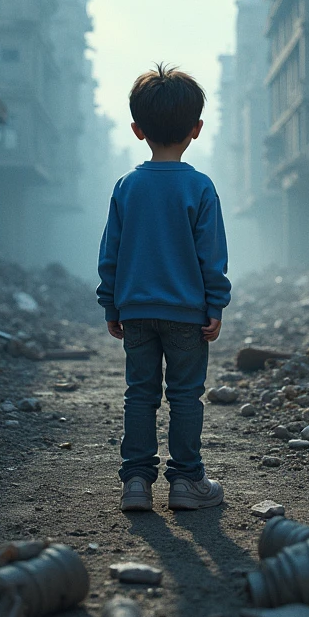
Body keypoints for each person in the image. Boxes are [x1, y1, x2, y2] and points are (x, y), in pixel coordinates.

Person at [97, 64, 231, 512]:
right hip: (187, 314)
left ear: (137, 130)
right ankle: (185, 482)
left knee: (140, 394)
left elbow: (111, 251)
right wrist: (216, 303)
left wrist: (110, 302)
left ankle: (135, 482)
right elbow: (211, 255)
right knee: (185, 396)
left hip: (135, 310)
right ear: (196, 129)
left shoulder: (127, 186)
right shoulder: (200, 187)